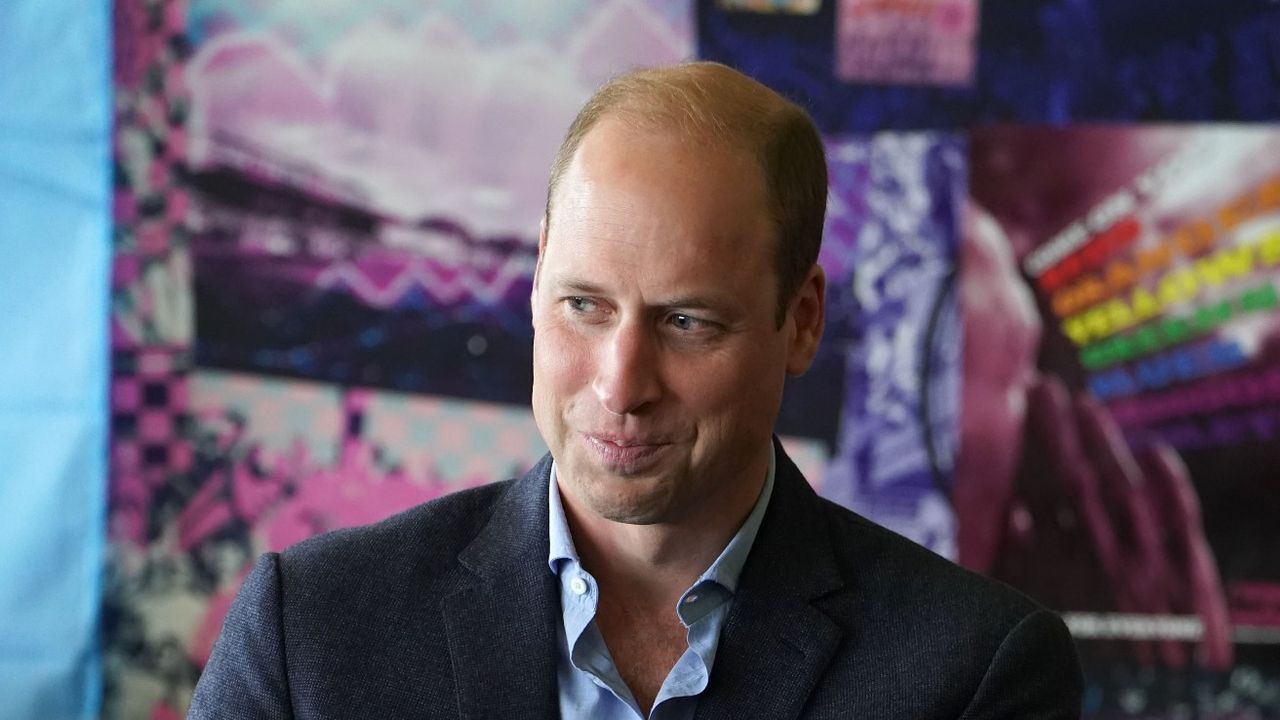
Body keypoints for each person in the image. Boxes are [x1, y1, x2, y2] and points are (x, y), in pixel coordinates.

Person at [189, 62, 1082, 719]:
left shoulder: (975, 675)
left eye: (687, 322)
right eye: (584, 306)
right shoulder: (309, 634)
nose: (621, 383)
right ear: (537, 278)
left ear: (802, 321)